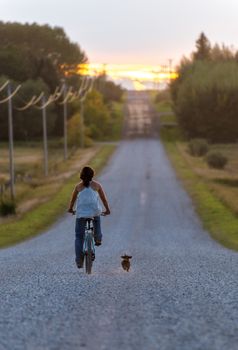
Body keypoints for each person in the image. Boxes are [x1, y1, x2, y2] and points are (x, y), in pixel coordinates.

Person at [68, 166, 110, 268]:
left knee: (79, 237)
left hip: (81, 214)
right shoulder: (97, 185)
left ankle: (79, 261)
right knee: (96, 218)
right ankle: (98, 238)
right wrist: (107, 210)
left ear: (81, 176)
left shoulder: (78, 187)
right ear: (92, 175)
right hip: (94, 212)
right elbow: (104, 200)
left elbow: (73, 201)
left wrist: (70, 209)